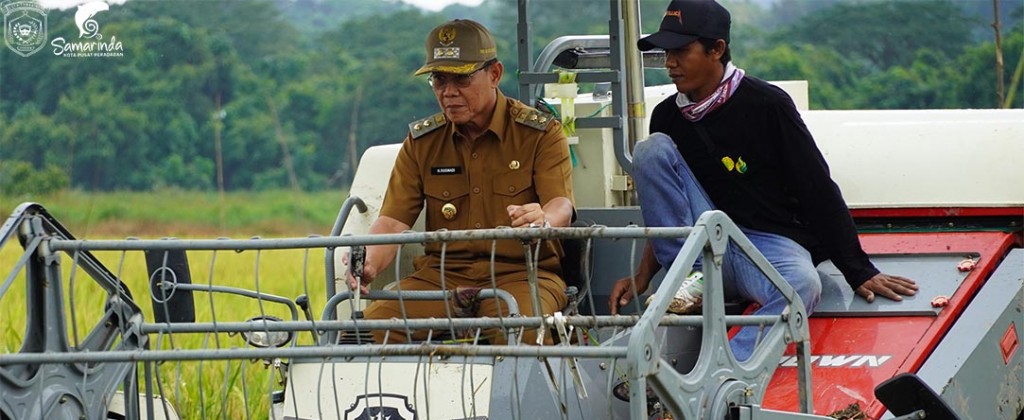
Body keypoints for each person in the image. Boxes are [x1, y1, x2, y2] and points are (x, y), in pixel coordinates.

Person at [609, 0, 917, 360]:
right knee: (651, 150)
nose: (670, 63)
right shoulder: (666, 116)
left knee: (803, 285)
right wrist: (643, 275)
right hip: (705, 250)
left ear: (717, 49)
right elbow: (667, 203)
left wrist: (858, 269)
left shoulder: (767, 104)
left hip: (767, 246)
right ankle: (689, 280)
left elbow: (815, 187)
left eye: (681, 51)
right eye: (666, 53)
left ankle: (729, 371)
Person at [350, 19, 575, 344]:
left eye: (461, 79)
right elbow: (391, 224)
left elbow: (561, 207)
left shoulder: (539, 134)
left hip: (523, 275)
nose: (448, 92)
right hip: (439, 277)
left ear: (495, 74)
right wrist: (368, 261)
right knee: (366, 333)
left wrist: (543, 219)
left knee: (518, 332)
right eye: (439, 80)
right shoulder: (423, 142)